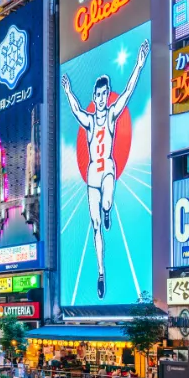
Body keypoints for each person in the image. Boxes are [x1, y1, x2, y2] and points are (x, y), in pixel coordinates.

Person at [60, 38, 149, 299]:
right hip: (92, 176)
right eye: (97, 95)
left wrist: (139, 65)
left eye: (104, 94)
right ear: (94, 97)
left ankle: (108, 209)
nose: (100, 99)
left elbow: (129, 92)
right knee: (96, 226)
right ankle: (101, 272)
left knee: (107, 202)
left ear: (106, 94)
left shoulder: (111, 115)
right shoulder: (89, 121)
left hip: (107, 168)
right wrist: (67, 91)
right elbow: (76, 109)